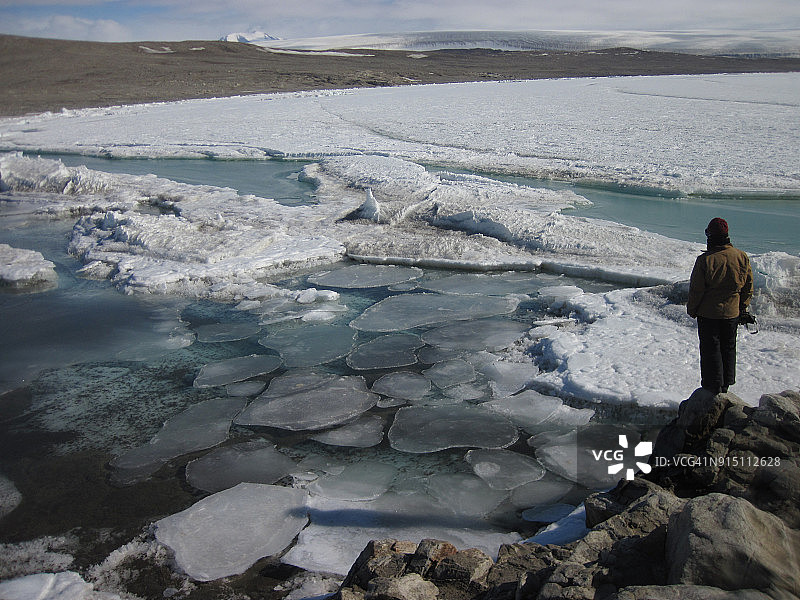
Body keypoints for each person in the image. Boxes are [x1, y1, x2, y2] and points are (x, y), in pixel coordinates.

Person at [687, 217, 753, 394]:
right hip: (731, 313)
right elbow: (747, 286)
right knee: (729, 347)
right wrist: (742, 308)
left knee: (710, 348)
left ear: (710, 235)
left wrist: (692, 309)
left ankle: (712, 384)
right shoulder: (741, 257)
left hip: (709, 314)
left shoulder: (705, 260)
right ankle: (726, 383)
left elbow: (697, 290)